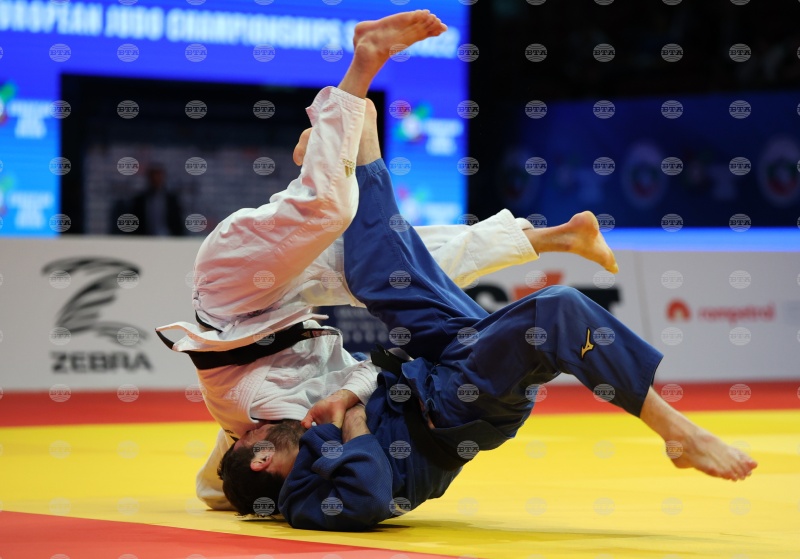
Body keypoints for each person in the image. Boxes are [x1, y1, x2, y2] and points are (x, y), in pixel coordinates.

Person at [215, 56, 759, 533]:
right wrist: (347, 416)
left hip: (432, 366)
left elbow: (365, 375)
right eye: (248, 435)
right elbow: (372, 492)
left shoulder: (290, 433)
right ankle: (676, 432)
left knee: (380, 274)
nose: (252, 425)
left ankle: (364, 143)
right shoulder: (306, 499)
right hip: (455, 405)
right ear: (261, 459)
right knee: (558, 310)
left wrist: (347, 395)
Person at [157, 10, 597, 511]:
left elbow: (217, 484)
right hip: (289, 297)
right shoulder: (296, 420)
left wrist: (222, 489)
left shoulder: (247, 413)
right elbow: (367, 375)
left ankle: (363, 64)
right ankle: (550, 238)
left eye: (248, 446)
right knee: (403, 264)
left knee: (328, 209)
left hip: (230, 290)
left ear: (248, 447)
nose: (305, 450)